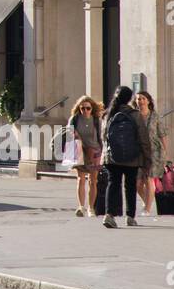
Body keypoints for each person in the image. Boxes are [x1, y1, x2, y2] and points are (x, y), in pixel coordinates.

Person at [101, 86, 153, 229]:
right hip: (132, 157)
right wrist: (147, 158)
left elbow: (103, 137)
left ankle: (109, 214)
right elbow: (143, 137)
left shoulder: (108, 114)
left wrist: (105, 154)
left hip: (112, 157)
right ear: (130, 98)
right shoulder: (134, 114)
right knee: (130, 185)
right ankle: (130, 217)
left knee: (113, 183)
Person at [134, 89, 168, 216]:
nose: (141, 101)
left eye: (143, 98)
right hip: (138, 152)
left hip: (154, 151)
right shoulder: (134, 116)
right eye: (138, 99)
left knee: (149, 179)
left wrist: (165, 153)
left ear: (148, 101)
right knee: (137, 184)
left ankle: (147, 209)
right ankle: (148, 201)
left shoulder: (155, 116)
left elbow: (163, 135)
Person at [69, 95, 102, 217]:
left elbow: (101, 137)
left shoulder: (96, 120)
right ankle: (81, 207)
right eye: (82, 108)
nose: (85, 111)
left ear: (92, 108)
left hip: (94, 151)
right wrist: (74, 133)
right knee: (80, 178)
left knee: (93, 181)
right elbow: (68, 131)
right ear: (79, 108)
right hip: (80, 151)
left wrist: (102, 152)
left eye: (88, 108)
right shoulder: (75, 119)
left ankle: (91, 208)